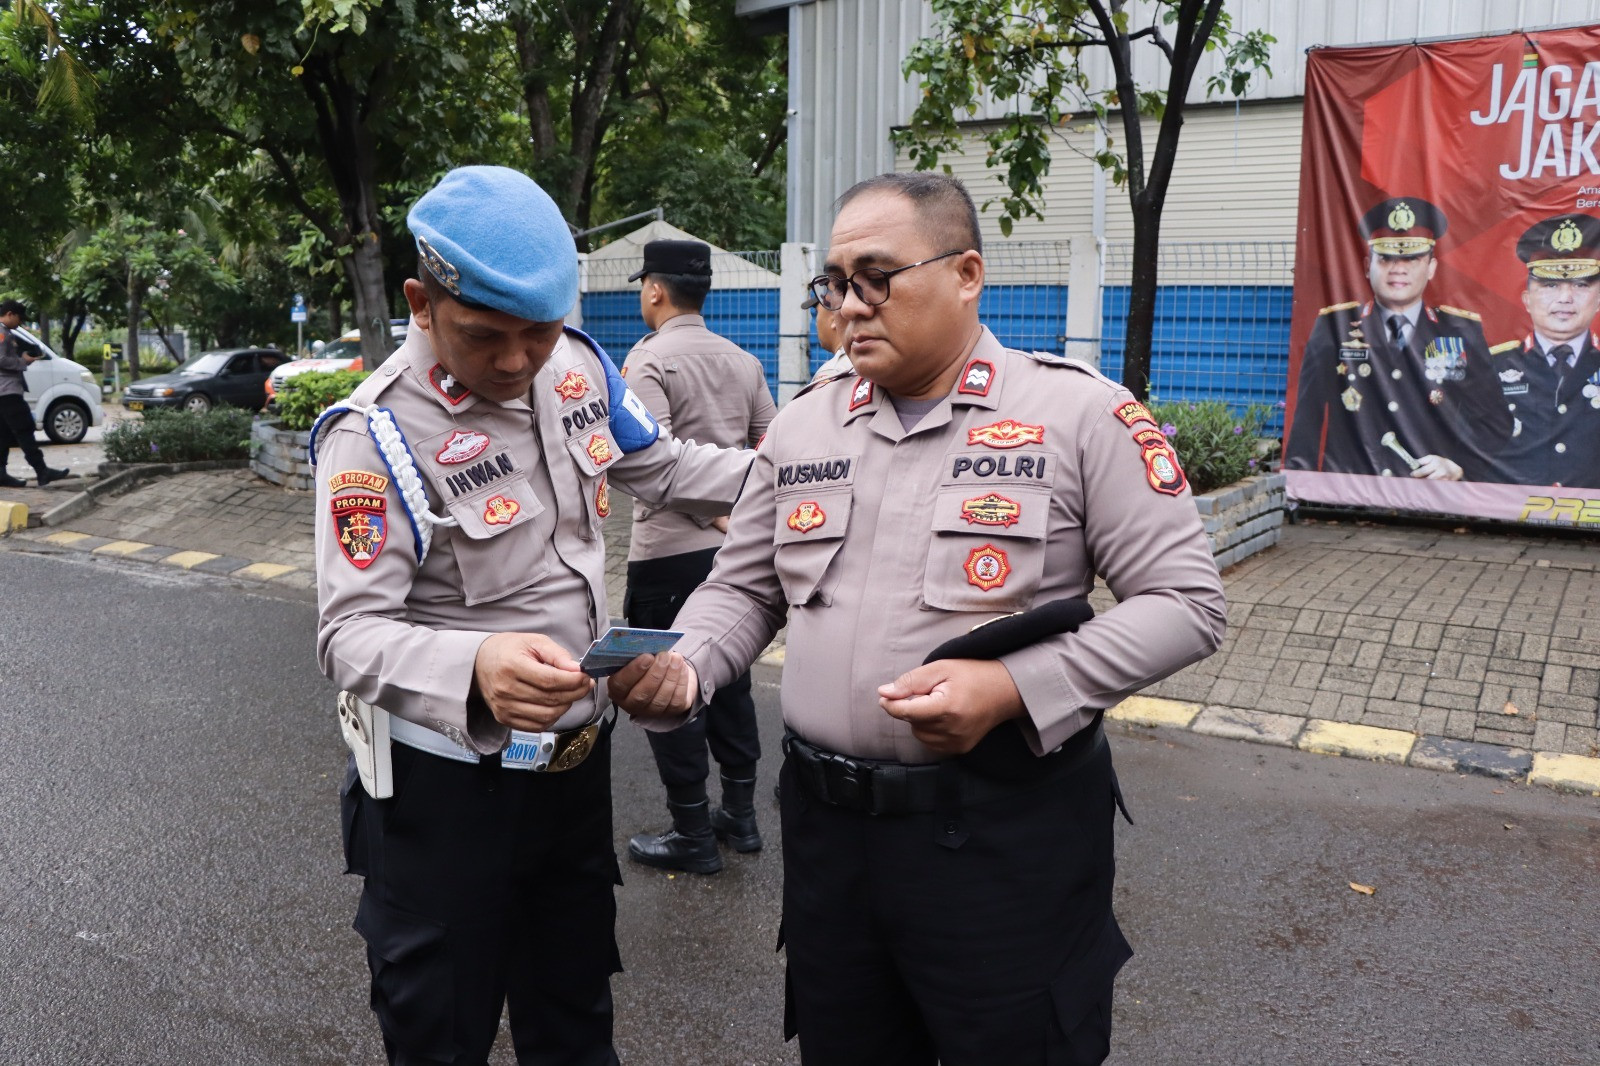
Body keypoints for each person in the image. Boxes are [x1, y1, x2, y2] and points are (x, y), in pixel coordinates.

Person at [608, 172, 1227, 1065]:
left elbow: (1186, 604)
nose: (849, 305)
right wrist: (687, 665)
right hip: (830, 845)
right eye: (834, 283)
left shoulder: (1078, 414)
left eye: (876, 277)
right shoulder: (805, 428)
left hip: (1003, 840)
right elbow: (744, 589)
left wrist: (1013, 686)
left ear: (966, 274)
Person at [312, 166, 754, 1066]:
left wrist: (810, 470)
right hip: (447, 796)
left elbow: (666, 468)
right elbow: (348, 633)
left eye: (538, 334)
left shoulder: (580, 368)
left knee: (576, 1018)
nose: (517, 363)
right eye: (486, 337)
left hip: (573, 776)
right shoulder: (375, 435)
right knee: (441, 1030)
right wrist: (472, 669)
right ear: (422, 305)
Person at [619, 238, 777, 874]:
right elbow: (769, 451)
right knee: (729, 682)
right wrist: (734, 519)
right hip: (730, 555)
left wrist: (711, 510)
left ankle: (692, 833)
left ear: (656, 290)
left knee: (665, 686)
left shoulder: (647, 360)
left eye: (643, 286)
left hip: (665, 555)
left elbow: (650, 465)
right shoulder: (744, 361)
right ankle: (740, 817)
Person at [1285, 197, 1510, 481]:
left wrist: (1459, 466)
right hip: (1352, 491)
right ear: (1367, 265)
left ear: (1431, 267)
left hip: (1431, 494)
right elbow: (1308, 420)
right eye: (1386, 258)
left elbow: (1496, 423)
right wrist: (1300, 487)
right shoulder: (1334, 326)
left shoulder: (1461, 331)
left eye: (1412, 258)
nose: (1398, 269)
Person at [1490, 213, 1600, 488]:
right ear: (1527, 300)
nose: (1565, 298)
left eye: (1580, 285)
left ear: (1598, 299)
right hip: (1510, 509)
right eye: (1550, 285)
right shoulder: (1491, 367)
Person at [0, 300, 69, 489]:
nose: (20, 323)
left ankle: (1, 474)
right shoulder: (2, 333)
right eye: (20, 318)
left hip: (4, 392)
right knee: (24, 429)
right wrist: (23, 361)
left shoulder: (5, 332)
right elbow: (1, 359)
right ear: (10, 314)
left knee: (3, 434)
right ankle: (42, 471)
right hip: (7, 391)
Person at [803, 290, 850, 383]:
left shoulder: (833, 372)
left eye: (817, 313)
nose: (815, 322)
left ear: (835, 319)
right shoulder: (867, 363)